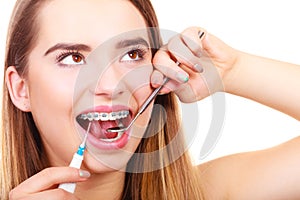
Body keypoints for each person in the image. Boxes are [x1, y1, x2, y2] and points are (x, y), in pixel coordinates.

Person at [1, 1, 300, 200]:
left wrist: (234, 71)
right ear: (21, 89)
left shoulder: (205, 193)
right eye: (73, 58)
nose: (111, 84)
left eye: (132, 55)